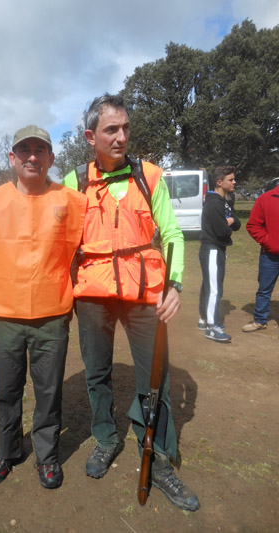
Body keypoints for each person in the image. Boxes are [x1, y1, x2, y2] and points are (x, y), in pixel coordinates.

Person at [63, 94, 199, 511]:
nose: (122, 137)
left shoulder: (150, 176)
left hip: (146, 295)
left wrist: (174, 285)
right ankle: (106, 438)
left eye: (125, 128)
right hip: (92, 297)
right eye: (111, 130)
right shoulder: (74, 182)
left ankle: (157, 459)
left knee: (154, 378)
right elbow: (58, 238)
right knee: (97, 372)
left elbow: (173, 234)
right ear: (91, 136)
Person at [0, 125, 86, 490]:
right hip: (3, 315)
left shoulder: (72, 202)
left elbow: (81, 257)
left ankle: (47, 456)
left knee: (49, 390)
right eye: (24, 150)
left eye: (40, 150)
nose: (32, 156)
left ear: (51, 158)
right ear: (12, 158)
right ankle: (7, 451)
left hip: (52, 317)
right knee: (6, 388)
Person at [198, 166, 240, 342]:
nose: (234, 182)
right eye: (230, 179)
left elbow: (236, 223)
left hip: (217, 250)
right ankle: (211, 326)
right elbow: (223, 231)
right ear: (219, 182)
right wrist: (228, 223)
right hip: (212, 249)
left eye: (234, 179)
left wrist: (229, 221)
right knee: (214, 289)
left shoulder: (224, 201)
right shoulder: (214, 203)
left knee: (210, 285)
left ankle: (204, 319)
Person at [242, 178, 279, 332]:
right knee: (264, 289)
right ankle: (259, 320)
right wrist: (268, 242)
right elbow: (252, 225)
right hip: (270, 256)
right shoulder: (265, 199)